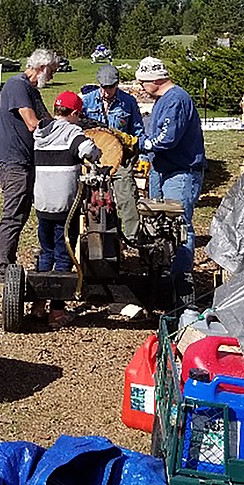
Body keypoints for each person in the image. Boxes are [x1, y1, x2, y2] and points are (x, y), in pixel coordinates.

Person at [136, 56, 205, 307]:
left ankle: (182, 281)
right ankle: (163, 273)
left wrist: (141, 144)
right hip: (164, 169)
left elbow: (167, 138)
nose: (141, 86)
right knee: (159, 224)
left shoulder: (175, 99)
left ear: (155, 79)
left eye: (143, 81)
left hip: (180, 171)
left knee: (179, 226)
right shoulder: (164, 100)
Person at [32, 90, 101, 329]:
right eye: (78, 115)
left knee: (46, 251)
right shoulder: (72, 132)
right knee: (64, 254)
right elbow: (87, 151)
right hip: (65, 206)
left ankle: (38, 304)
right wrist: (96, 153)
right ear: (73, 114)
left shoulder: (41, 133)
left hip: (42, 203)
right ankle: (57, 311)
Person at [0, 48, 59, 288]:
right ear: (40, 68)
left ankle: (8, 266)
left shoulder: (31, 90)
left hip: (27, 160)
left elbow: (47, 119)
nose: (50, 78)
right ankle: (2, 272)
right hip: (14, 161)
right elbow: (33, 123)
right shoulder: (16, 85)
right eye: (50, 72)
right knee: (13, 215)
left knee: (21, 214)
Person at [81, 64, 145, 239]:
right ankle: (85, 235)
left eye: (111, 87)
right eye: (104, 86)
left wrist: (143, 155)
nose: (107, 91)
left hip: (120, 159)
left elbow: (138, 132)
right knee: (83, 198)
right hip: (90, 160)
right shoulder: (87, 101)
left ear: (117, 84)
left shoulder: (128, 102)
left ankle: (133, 237)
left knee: (127, 197)